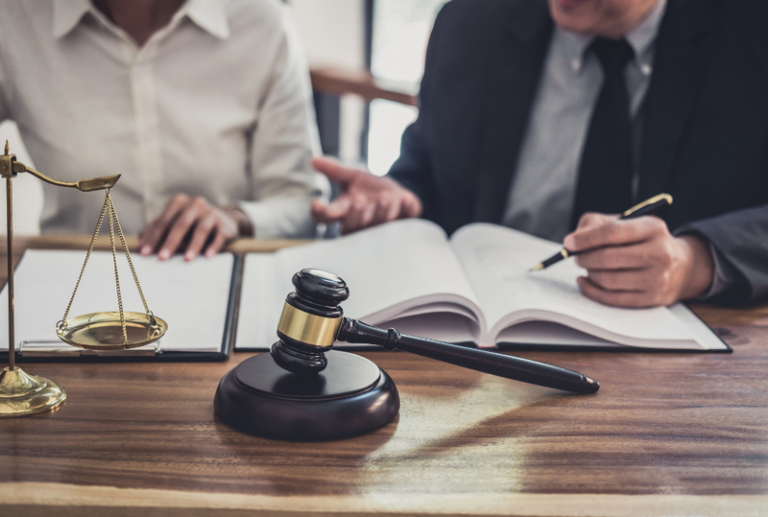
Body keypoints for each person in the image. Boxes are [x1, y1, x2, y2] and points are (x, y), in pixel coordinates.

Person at [312, 0, 768, 308]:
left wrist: (695, 261)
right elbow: (427, 170)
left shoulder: (750, 31)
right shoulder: (470, 23)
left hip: (686, 372)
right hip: (479, 340)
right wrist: (398, 195)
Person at [0, 0, 326, 261]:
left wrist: (237, 218)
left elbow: (302, 205)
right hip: (70, 293)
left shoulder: (263, 24)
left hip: (225, 284)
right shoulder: (12, 23)